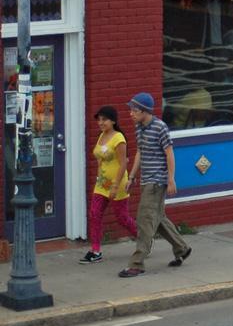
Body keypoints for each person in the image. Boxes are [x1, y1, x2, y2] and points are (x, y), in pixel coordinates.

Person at [119, 92, 191, 278]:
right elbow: (140, 152)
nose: (131, 113)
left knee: (145, 220)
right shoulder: (139, 127)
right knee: (157, 219)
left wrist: (171, 179)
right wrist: (131, 177)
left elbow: (169, 153)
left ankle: (137, 264)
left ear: (145, 111)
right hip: (145, 180)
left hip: (157, 181)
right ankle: (182, 248)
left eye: (134, 110)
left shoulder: (160, 127)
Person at [80, 106, 138, 264]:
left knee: (122, 217)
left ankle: (143, 238)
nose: (101, 123)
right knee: (95, 214)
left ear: (113, 121)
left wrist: (115, 185)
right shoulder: (101, 136)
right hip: (102, 183)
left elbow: (123, 163)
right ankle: (95, 251)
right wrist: (99, 176)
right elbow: (100, 159)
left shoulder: (119, 138)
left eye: (104, 119)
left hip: (117, 184)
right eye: (99, 120)